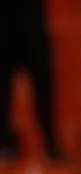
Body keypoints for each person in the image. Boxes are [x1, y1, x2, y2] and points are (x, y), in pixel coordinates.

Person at [0, 0, 62, 160]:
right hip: (7, 26)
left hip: (30, 25)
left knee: (43, 84)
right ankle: (5, 141)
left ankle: (50, 143)